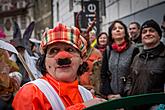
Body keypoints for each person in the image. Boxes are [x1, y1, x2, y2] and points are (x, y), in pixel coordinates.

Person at [12, 23, 106, 110]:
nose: (62, 57)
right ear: (44, 60)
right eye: (53, 51)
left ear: (81, 59)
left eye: (70, 49)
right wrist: (82, 108)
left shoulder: (87, 95)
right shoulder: (31, 93)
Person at [125, 19, 165, 110]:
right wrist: (128, 93)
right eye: (144, 32)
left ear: (159, 35)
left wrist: (161, 106)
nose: (147, 33)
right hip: (134, 106)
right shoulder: (137, 57)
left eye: (151, 30)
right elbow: (130, 79)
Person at [100, 20, 139, 100]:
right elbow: (104, 73)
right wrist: (109, 93)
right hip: (111, 96)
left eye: (120, 28)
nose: (117, 30)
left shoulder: (134, 49)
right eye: (114, 29)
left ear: (125, 32)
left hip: (128, 96)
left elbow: (134, 76)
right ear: (111, 35)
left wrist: (123, 95)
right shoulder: (108, 50)